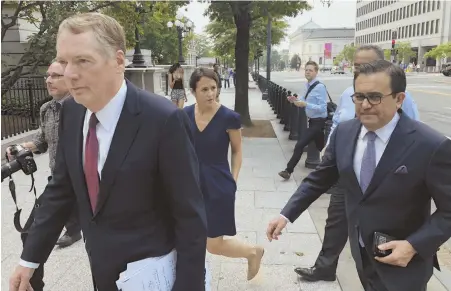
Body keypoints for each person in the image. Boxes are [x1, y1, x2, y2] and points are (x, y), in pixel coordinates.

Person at [9, 12, 207, 291]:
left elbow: (190, 217)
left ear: (117, 61)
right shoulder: (71, 112)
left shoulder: (163, 119)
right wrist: (29, 260)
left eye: (83, 61)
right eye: (64, 61)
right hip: (100, 269)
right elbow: (61, 189)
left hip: (152, 276)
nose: (69, 73)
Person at [267, 60, 451, 291]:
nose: (365, 105)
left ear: (399, 99)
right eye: (359, 96)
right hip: (362, 252)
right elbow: (319, 179)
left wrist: (414, 245)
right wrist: (286, 215)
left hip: (405, 263)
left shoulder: (430, 145)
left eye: (374, 97)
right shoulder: (344, 133)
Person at [295, 44, 420, 282]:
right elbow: (340, 125)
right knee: (336, 219)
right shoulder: (347, 95)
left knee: (377, 230)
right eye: (356, 65)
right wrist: (329, 151)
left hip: (381, 177)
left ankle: (382, 271)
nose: (359, 69)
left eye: (366, 65)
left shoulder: (400, 98)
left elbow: (412, 136)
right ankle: (325, 266)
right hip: (348, 170)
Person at [183, 68, 264, 281]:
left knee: (214, 244)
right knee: (190, 235)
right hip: (190, 184)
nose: (211, 93)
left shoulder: (229, 117)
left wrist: (233, 181)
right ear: (193, 91)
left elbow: (237, 151)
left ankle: (252, 252)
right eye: (204, 89)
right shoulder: (184, 115)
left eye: (214, 88)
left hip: (218, 185)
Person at [278, 61, 328, 180]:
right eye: (306, 70)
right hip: (312, 122)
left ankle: (288, 171)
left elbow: (323, 107)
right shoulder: (307, 85)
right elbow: (302, 99)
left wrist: (306, 104)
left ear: (316, 72)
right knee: (323, 148)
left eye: (310, 70)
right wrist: (294, 99)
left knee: (300, 145)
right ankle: (334, 171)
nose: (308, 72)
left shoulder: (320, 87)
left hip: (319, 122)